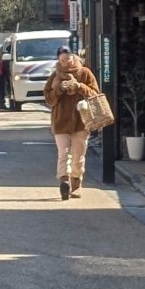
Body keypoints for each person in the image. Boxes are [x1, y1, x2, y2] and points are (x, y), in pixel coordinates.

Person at [42, 46, 100, 200]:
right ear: (58, 60)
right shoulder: (55, 75)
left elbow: (95, 94)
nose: (65, 63)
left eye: (68, 59)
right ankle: (64, 181)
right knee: (63, 154)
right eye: (62, 60)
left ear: (74, 57)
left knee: (78, 155)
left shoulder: (85, 73)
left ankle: (76, 183)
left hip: (81, 121)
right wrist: (59, 89)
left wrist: (79, 87)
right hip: (60, 121)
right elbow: (48, 98)